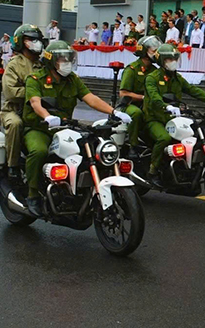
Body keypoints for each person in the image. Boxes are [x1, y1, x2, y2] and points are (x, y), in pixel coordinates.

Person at [23, 40, 131, 215]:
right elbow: (35, 103)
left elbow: (90, 98)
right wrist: (47, 117)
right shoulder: (36, 79)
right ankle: (33, 194)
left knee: (85, 151)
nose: (67, 63)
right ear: (51, 61)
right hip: (39, 127)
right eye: (62, 59)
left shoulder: (72, 80)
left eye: (68, 58)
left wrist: (114, 112)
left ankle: (75, 192)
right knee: (39, 151)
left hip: (64, 128)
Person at [142, 44, 205, 183]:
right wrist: (166, 106)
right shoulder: (152, 78)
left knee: (193, 135)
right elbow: (154, 96)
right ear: (162, 61)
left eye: (174, 58)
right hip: (154, 119)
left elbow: (193, 90)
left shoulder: (177, 78)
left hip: (174, 118)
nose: (173, 62)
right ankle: (153, 171)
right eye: (169, 59)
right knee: (164, 138)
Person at [0, 24, 45, 181]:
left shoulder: (44, 64)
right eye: (31, 39)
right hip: (14, 109)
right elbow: (11, 92)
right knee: (15, 124)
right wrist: (35, 95)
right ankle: (12, 165)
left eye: (37, 39)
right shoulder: (14, 64)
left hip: (40, 110)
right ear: (20, 42)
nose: (36, 42)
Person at [119, 35, 162, 154]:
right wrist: (143, 98)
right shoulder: (132, 69)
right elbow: (123, 93)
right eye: (153, 51)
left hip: (148, 105)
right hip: (130, 104)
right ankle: (133, 145)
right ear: (143, 51)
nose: (156, 53)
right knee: (136, 113)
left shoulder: (154, 70)